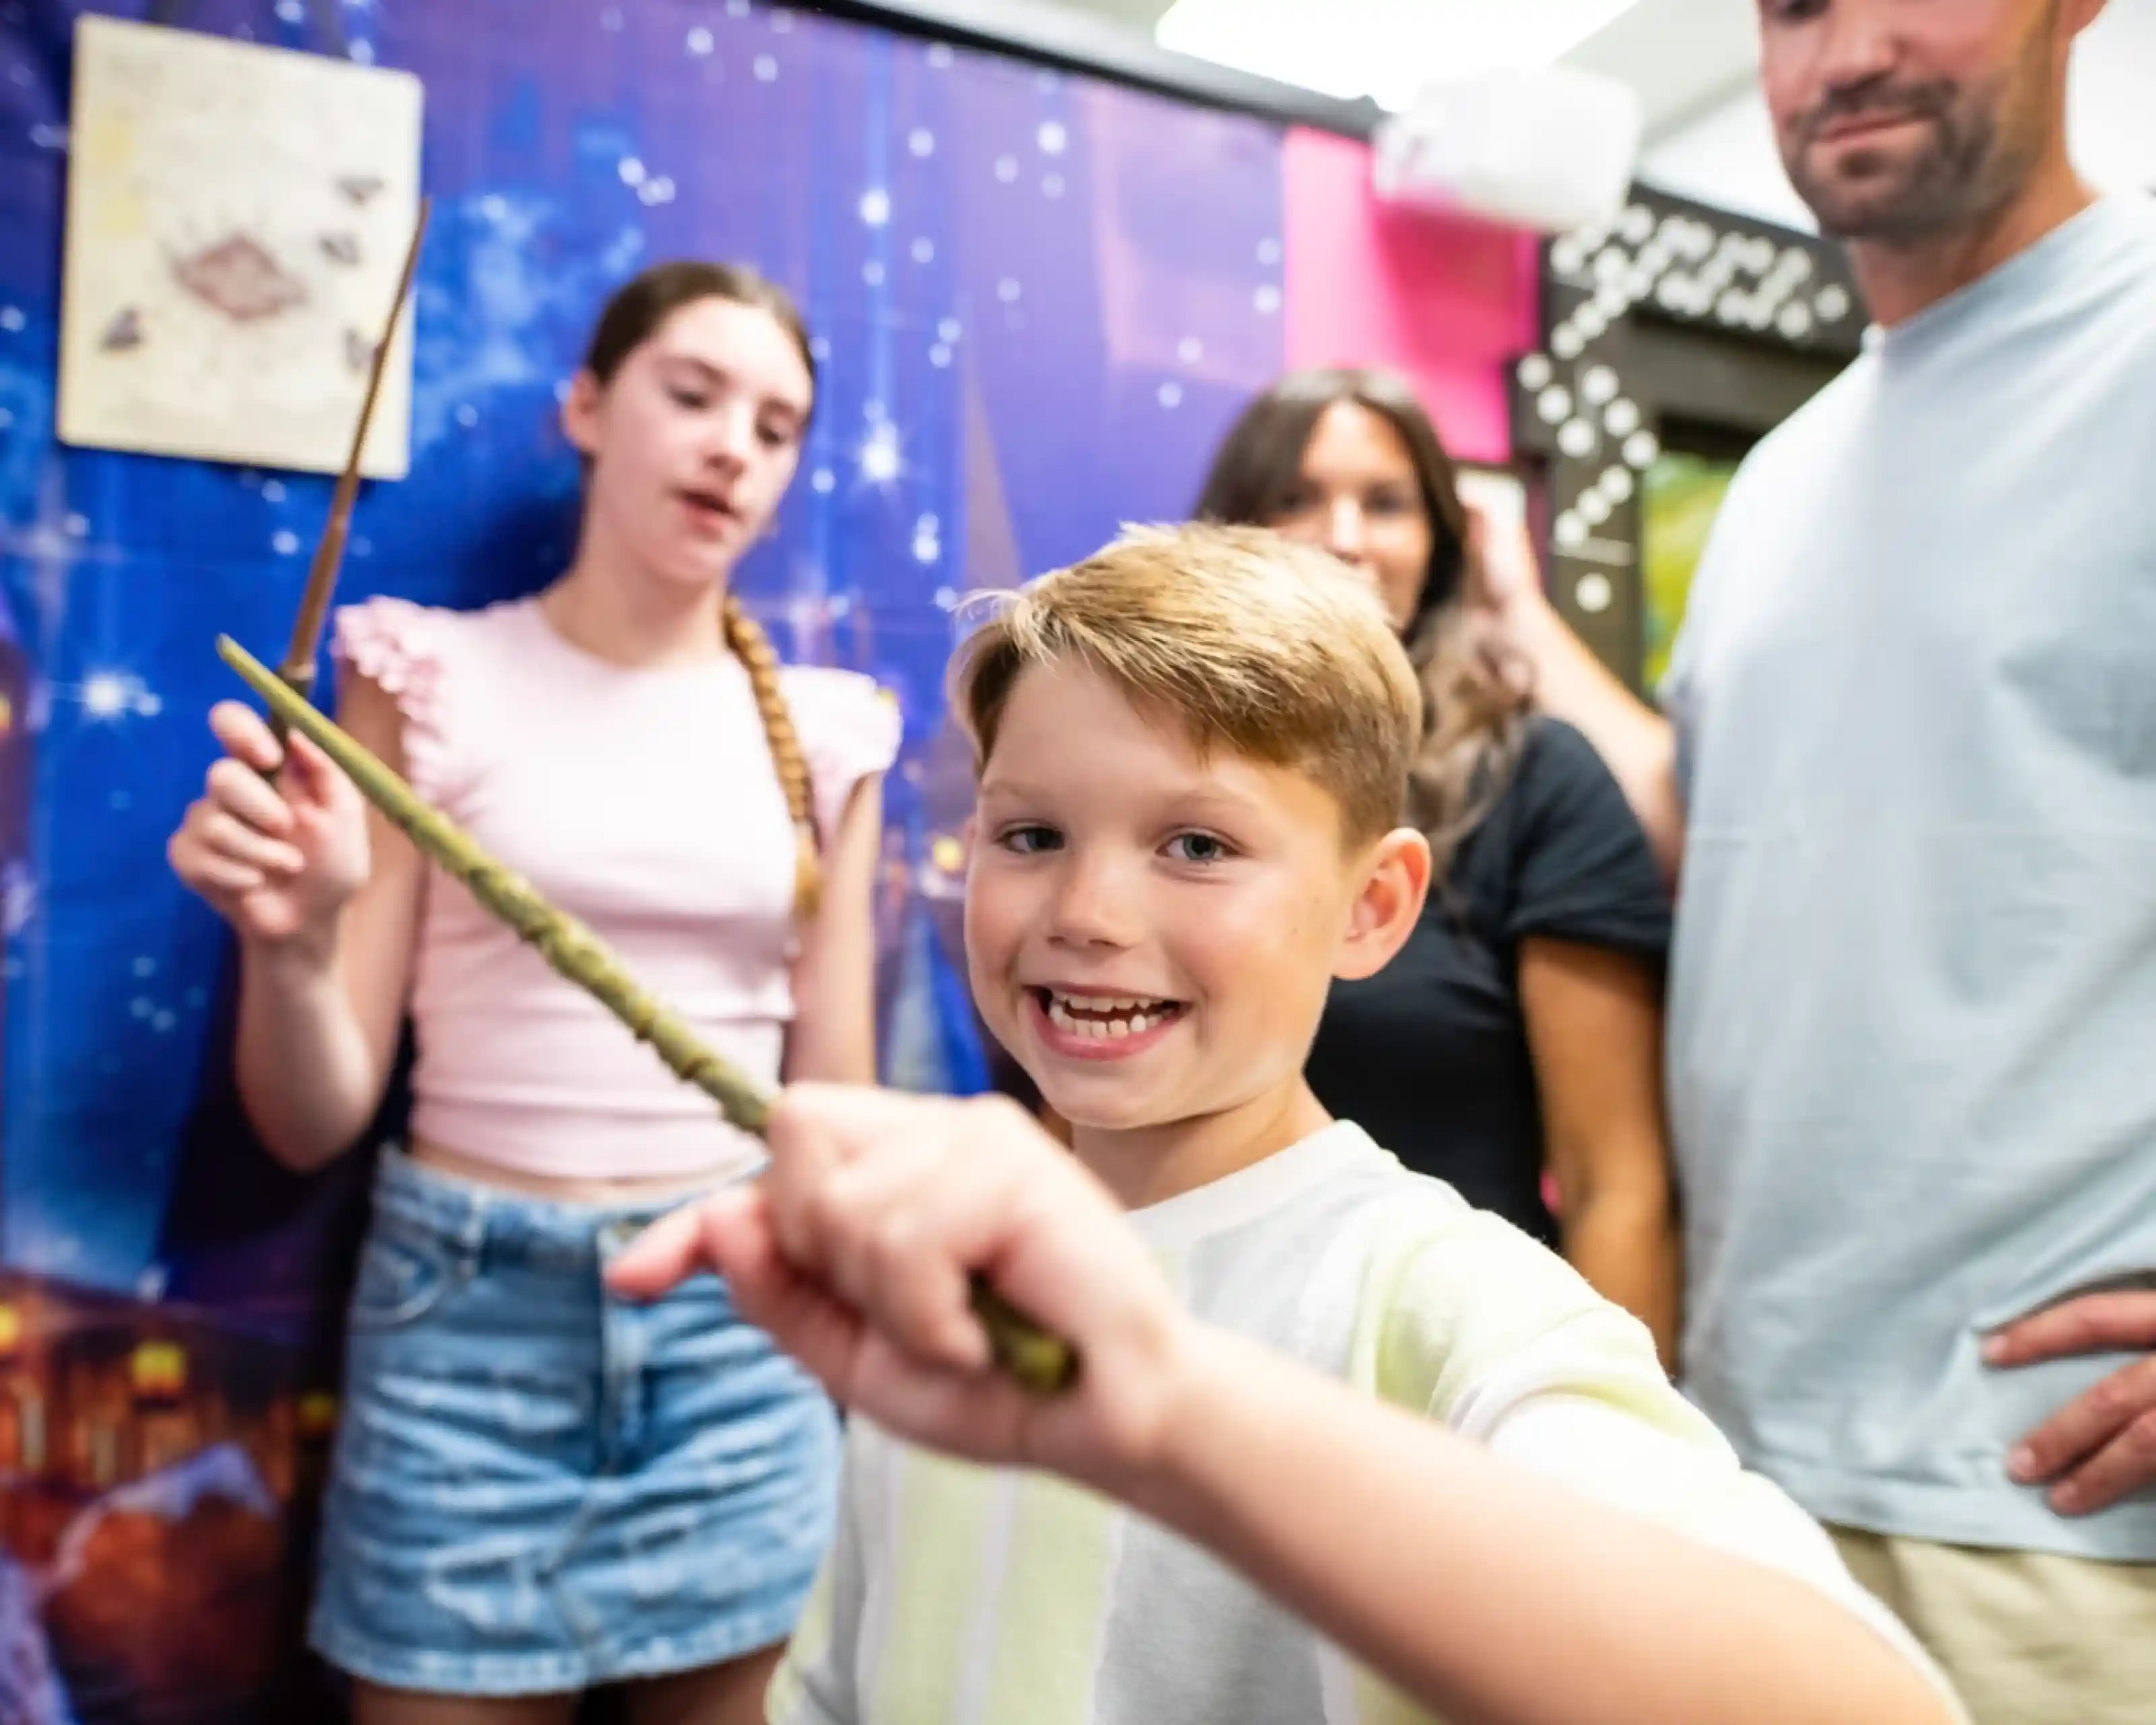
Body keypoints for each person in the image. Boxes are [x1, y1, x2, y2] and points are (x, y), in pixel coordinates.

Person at [614, 524, 1965, 1725]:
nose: (1083, 910)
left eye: (1196, 844)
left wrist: (1164, 1405)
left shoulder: (1450, 1301)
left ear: (1372, 906)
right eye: (1029, 834)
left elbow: (1854, 1694)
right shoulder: (937, 1274)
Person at [1465, 3, 2156, 1718]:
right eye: (1786, 5)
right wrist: (1519, 621)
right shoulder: (1783, 479)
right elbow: (1727, 833)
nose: (1837, 50)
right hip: (1746, 1467)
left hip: (2052, 1520)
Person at [166, 261, 899, 1724]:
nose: (729, 445)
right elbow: (313, 1119)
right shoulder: (428, 673)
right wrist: (293, 940)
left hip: (734, 1321)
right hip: (464, 1329)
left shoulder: (829, 729)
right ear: (585, 404)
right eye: (689, 394)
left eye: (775, 422)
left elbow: (841, 1106)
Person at [1197, 372, 1679, 1360]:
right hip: (1181, 1361)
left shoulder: (1534, 780)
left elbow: (1614, 1187)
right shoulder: (1161, 774)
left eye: (1386, 502)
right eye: (1295, 498)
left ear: (1440, 550)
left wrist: (1596, 1456)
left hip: (1452, 1375)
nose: (1344, 536)